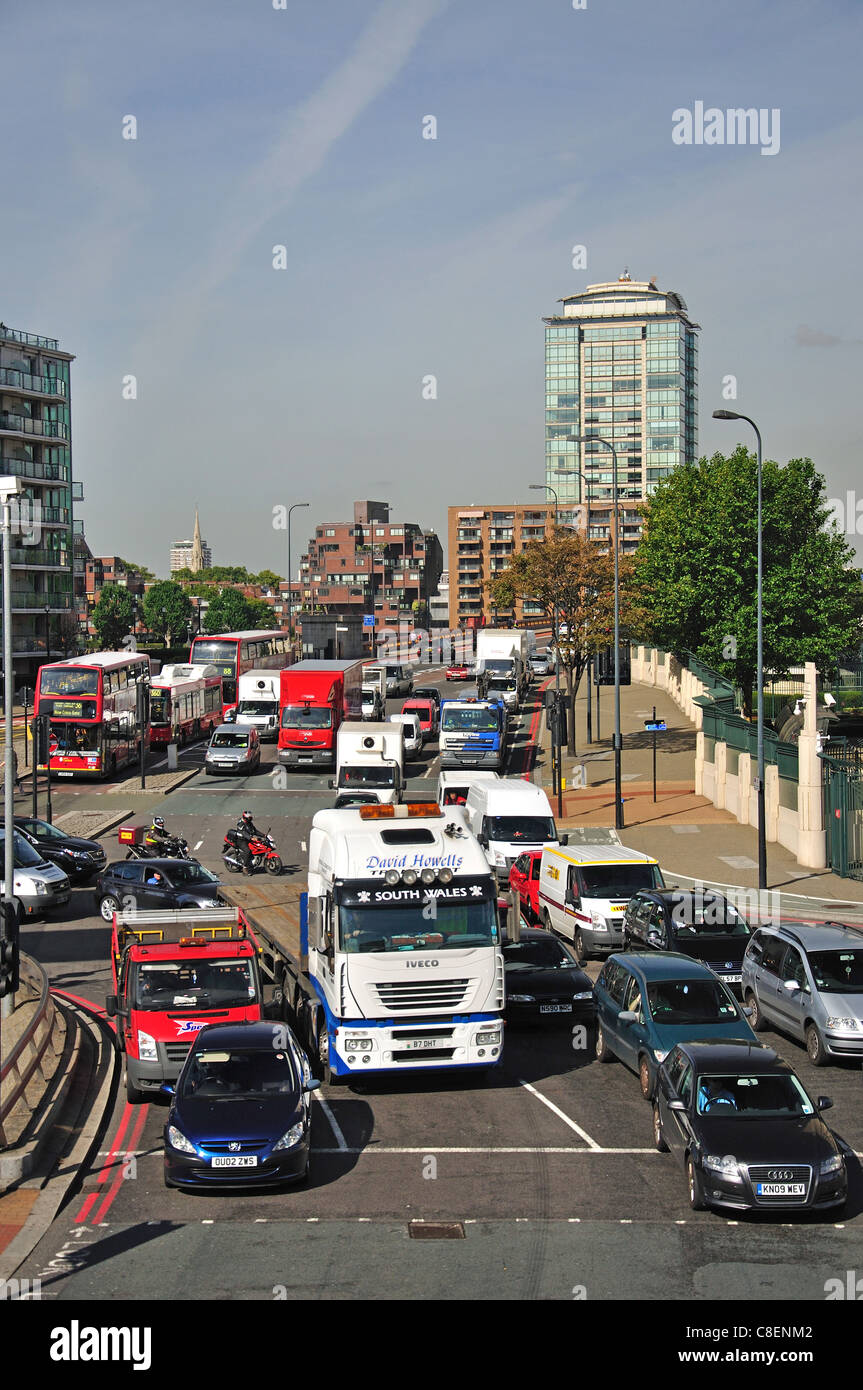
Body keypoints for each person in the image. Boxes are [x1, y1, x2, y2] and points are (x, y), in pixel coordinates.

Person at [234, 809, 263, 874]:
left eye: (251, 818)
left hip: (248, 839)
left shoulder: (249, 823)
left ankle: (252, 862)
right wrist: (251, 838)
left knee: (258, 846)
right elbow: (244, 833)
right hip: (241, 840)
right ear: (245, 818)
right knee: (248, 851)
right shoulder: (241, 824)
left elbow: (254, 831)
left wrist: (263, 835)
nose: (250, 819)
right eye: (249, 818)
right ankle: (245, 868)